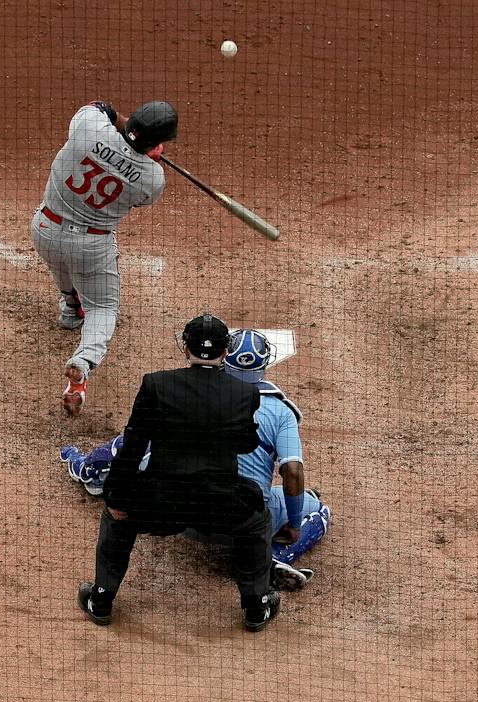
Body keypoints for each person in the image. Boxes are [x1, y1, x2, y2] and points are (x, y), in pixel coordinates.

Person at [62, 328, 329, 588]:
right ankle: (275, 557)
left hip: (175, 510)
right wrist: (293, 524)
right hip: (241, 520)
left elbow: (131, 446)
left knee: (136, 443)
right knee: (316, 506)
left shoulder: (184, 392)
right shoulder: (281, 412)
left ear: (225, 357)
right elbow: (293, 472)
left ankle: (89, 469)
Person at [78, 314, 280, 631]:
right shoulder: (244, 394)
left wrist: (116, 496)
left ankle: (101, 597)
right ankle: (257, 605)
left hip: (161, 503)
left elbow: (132, 446)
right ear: (225, 353)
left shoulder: (156, 385)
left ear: (185, 348)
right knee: (257, 518)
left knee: (116, 517)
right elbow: (245, 444)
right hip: (217, 506)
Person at [32, 99, 177, 416]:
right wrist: (146, 157)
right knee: (104, 308)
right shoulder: (153, 178)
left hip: (44, 228)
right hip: (91, 245)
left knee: (60, 259)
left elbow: (102, 107)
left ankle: (70, 308)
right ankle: (82, 362)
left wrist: (125, 129)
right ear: (159, 142)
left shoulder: (88, 127)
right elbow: (138, 194)